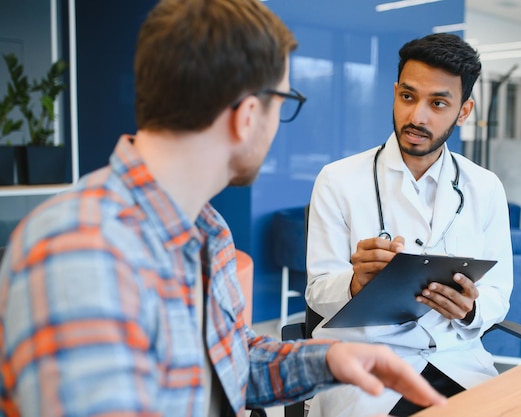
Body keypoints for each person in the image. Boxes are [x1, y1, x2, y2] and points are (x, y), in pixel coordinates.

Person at [0, 1, 447, 416]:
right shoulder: (78, 252)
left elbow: (226, 359)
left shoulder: (206, 229)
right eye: (284, 102)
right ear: (247, 115)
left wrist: (330, 358)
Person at [306, 33, 514, 417]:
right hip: (366, 362)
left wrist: (470, 309)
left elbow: (499, 292)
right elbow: (318, 292)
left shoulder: (485, 187)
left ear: (464, 111)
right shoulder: (338, 180)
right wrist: (355, 282)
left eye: (438, 103)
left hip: (455, 360)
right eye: (408, 97)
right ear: (395, 92)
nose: (417, 116)